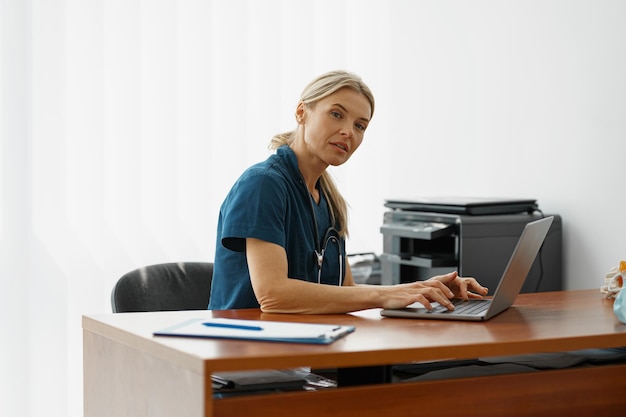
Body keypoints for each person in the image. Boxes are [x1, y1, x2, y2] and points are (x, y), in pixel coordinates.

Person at [208, 70, 488, 314]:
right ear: (301, 112)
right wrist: (389, 294)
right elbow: (273, 296)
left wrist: (423, 290)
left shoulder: (328, 198)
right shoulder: (262, 185)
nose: (348, 132)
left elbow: (345, 291)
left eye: (359, 126)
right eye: (336, 114)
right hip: (247, 355)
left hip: (309, 346)